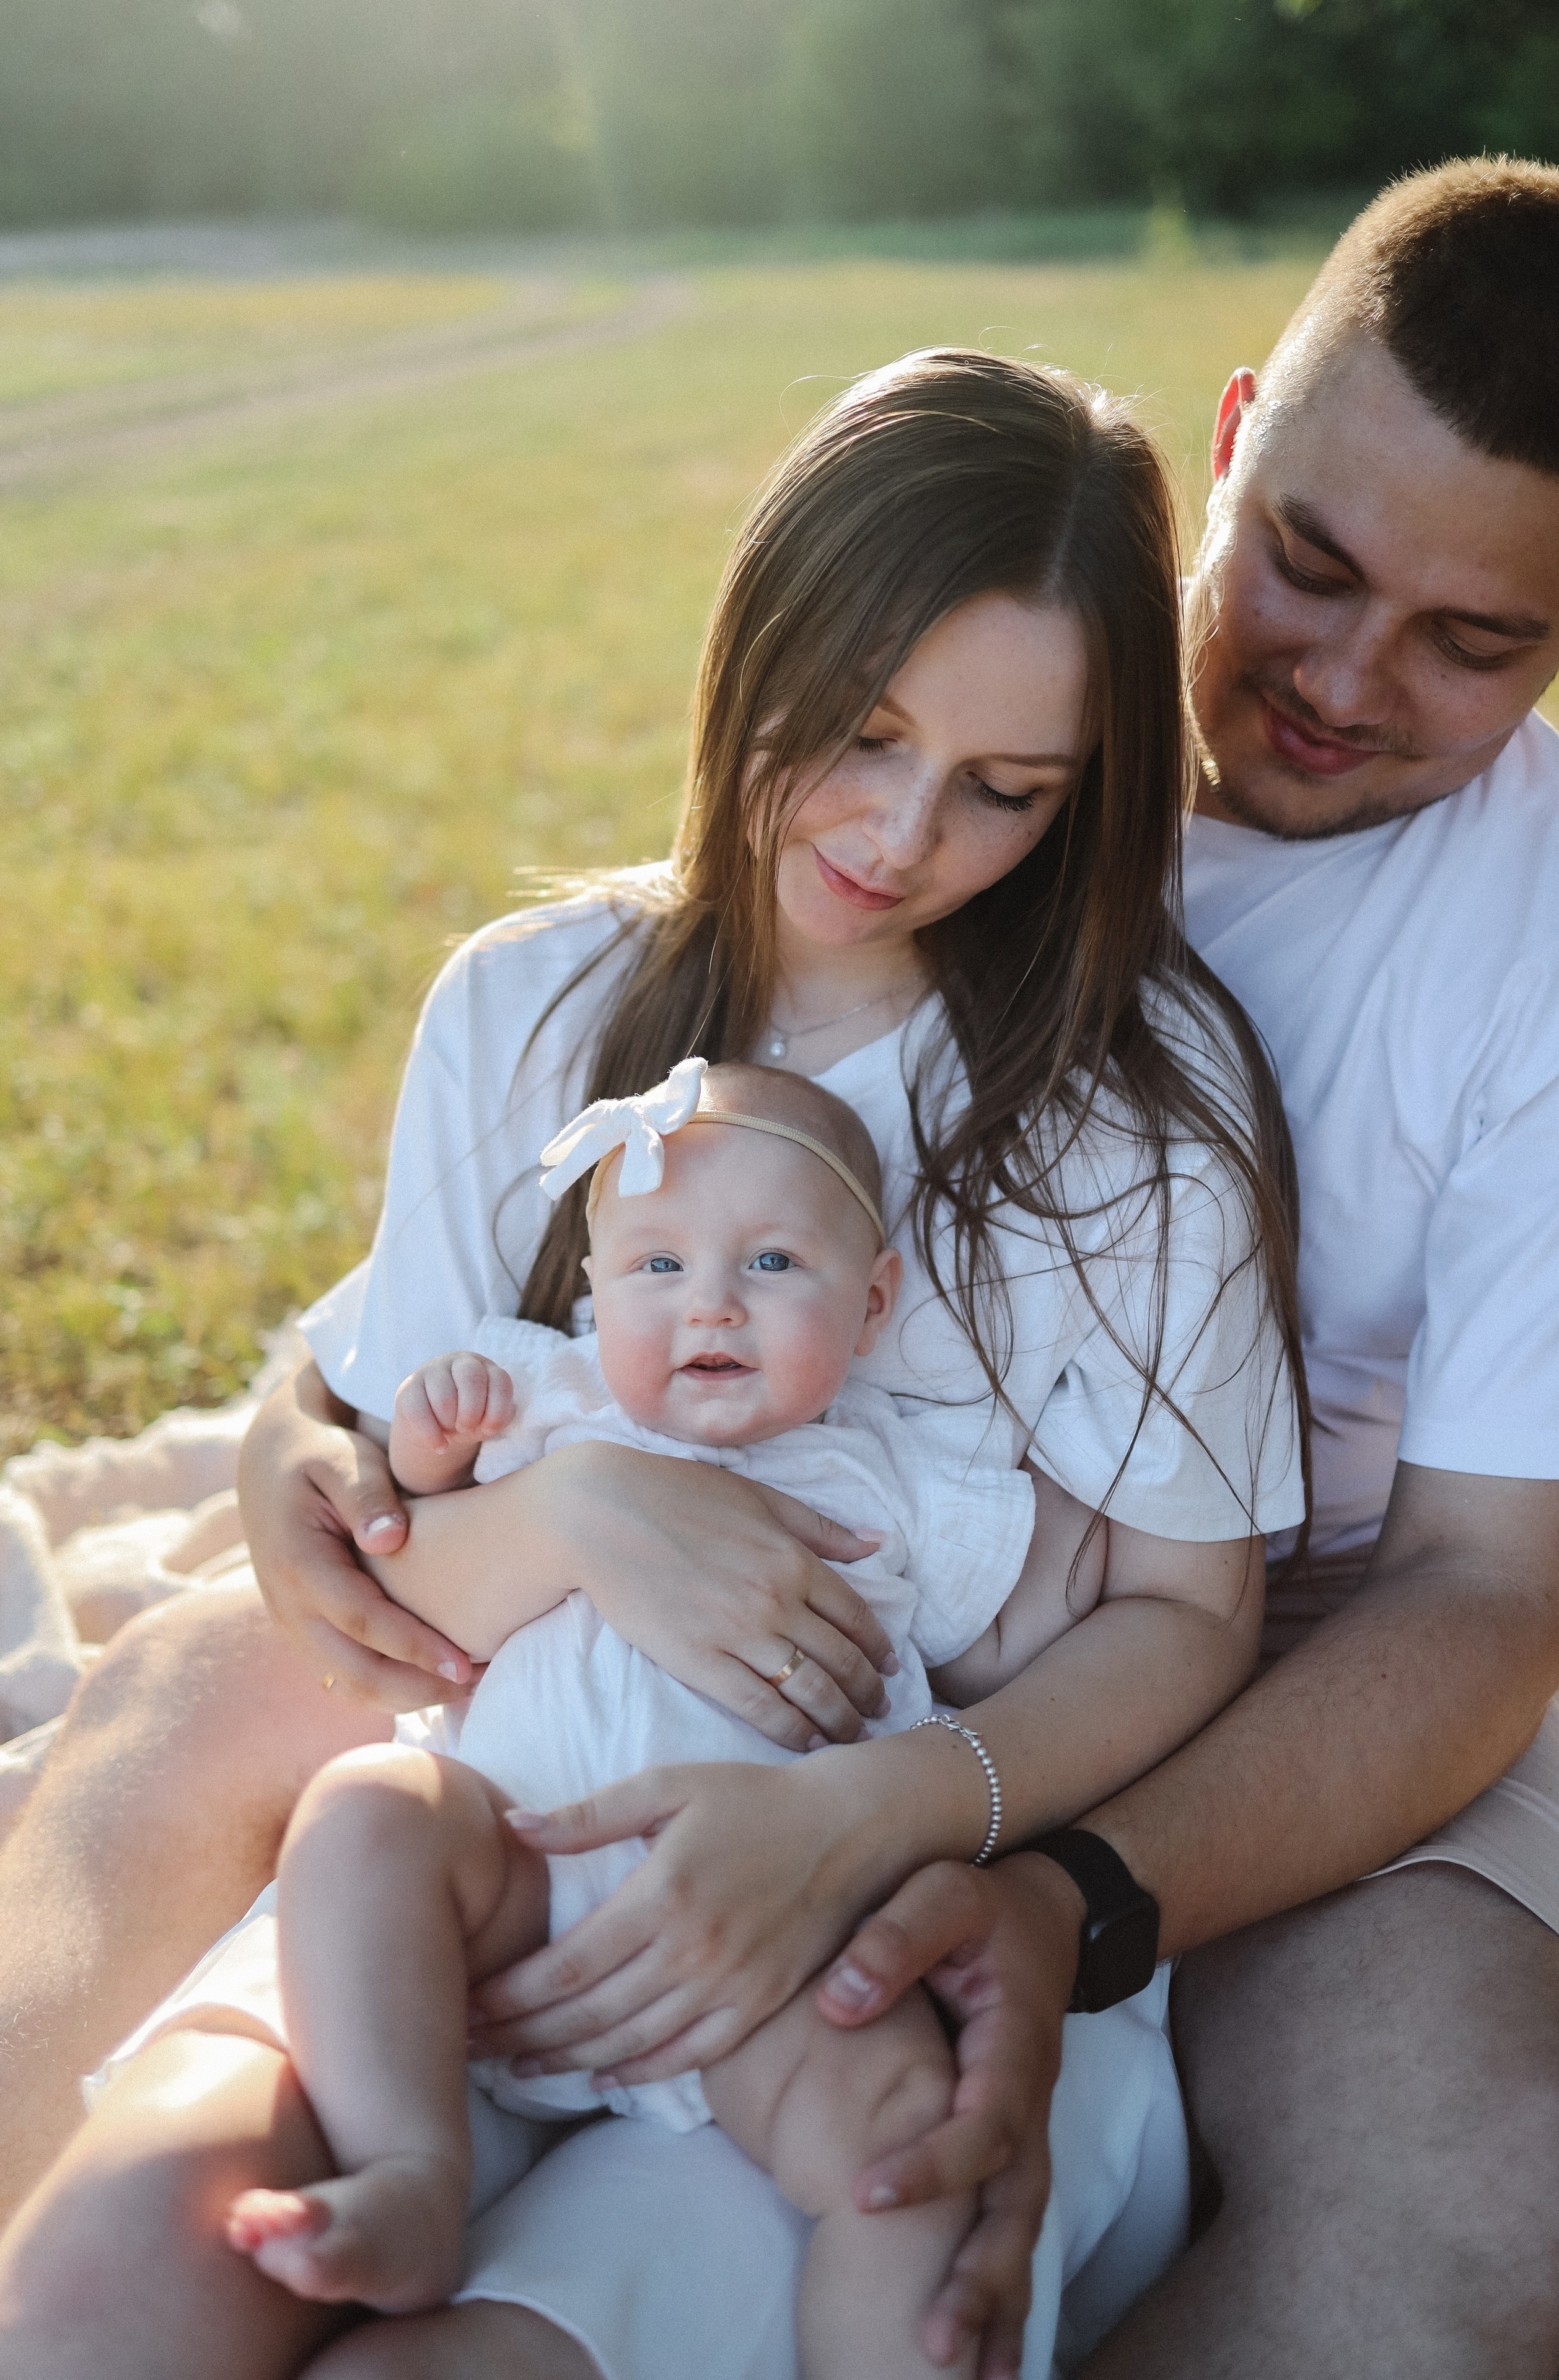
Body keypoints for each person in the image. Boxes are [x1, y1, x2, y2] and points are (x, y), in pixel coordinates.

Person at [0, 349, 1305, 2379]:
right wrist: (591, 1507)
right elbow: (389, 1533)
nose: (902, 831)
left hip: (869, 1932)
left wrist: (877, 1810)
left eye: (1008, 790)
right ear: (757, 641)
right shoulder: (530, 1006)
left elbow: (1193, 1617)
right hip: (489, 1871)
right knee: (100, 2301)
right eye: (860, 732)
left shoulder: (1130, 1119)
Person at [799, 156, 1559, 2377]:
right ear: (1233, 434)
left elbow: (1489, 1597)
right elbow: (646, 1074)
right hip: (836, 1547)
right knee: (202, 1728)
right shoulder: (983, 704)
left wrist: (1079, 1900)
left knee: (1487, 2212)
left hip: (1322, 1680)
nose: (1339, 678)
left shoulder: (1530, 952)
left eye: (1475, 641)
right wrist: (310, 1431)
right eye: (1309, 566)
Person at [154, 1056, 1257, 2380]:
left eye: (774, 1264)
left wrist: (1113, 1520)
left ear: (873, 1301)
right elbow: (407, 1535)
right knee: (365, 1820)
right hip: (516, 1873)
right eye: (656, 1268)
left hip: (772, 1935)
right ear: (591, 1291)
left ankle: (886, 2348)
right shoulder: (546, 1398)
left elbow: (1064, 1615)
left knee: (904, 2138)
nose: (710, 1305)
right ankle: (407, 2171)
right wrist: (436, 1445)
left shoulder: (904, 1472)